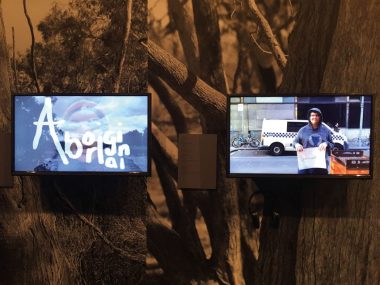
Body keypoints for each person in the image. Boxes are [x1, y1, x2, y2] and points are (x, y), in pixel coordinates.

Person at [293, 107, 333, 174]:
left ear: (320, 117)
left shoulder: (326, 130)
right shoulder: (302, 130)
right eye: (312, 115)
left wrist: (326, 143)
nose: (315, 117)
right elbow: (294, 142)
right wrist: (297, 145)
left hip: (321, 165)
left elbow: (332, 144)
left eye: (317, 115)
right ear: (309, 117)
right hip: (305, 165)